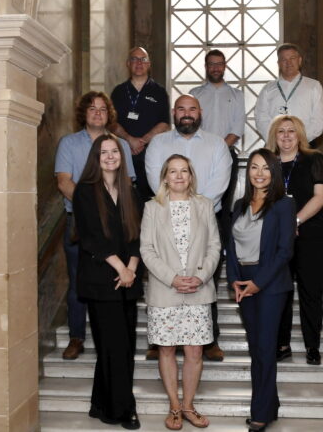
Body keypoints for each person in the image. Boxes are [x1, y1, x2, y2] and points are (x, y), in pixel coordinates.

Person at [145, 94, 232, 361]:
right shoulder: (158, 143)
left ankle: (209, 340)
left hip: (207, 217)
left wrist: (196, 206)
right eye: (181, 109)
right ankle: (161, 341)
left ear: (200, 112)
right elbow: (154, 178)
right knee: (164, 277)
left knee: (206, 277)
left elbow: (220, 183)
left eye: (191, 109)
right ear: (174, 112)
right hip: (164, 216)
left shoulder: (217, 144)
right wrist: (177, 200)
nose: (186, 113)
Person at [140, 154, 220, 430]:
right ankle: (174, 406)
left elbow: (214, 247)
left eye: (183, 171)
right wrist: (172, 278)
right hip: (165, 289)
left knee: (195, 351)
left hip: (198, 289)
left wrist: (199, 277)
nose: (178, 176)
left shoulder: (205, 205)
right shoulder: (152, 208)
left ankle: (188, 406)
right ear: (164, 177)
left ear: (190, 176)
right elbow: (146, 250)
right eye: (172, 171)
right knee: (167, 349)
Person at [55, 91, 136, 360]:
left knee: (116, 277)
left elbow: (127, 184)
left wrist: (110, 212)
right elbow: (64, 181)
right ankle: (77, 336)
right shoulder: (68, 143)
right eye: (92, 108)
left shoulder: (121, 145)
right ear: (84, 113)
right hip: (80, 224)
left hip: (117, 228)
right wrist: (91, 206)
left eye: (103, 109)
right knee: (79, 280)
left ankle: (114, 336)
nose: (98, 113)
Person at [73, 134, 143, 430]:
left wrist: (131, 268)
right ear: (95, 157)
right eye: (104, 152)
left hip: (127, 280)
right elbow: (91, 238)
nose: (110, 156)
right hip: (101, 281)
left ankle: (100, 404)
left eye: (115, 151)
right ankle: (122, 410)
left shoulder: (130, 190)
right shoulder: (85, 191)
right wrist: (120, 268)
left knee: (122, 345)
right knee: (114, 347)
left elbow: (139, 235)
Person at [227, 149, 295, 432]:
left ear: (274, 172)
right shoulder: (240, 205)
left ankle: (260, 412)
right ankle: (271, 404)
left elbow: (284, 252)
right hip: (243, 280)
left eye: (265, 168)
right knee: (257, 348)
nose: (259, 173)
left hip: (270, 283)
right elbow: (230, 246)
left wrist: (259, 283)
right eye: (254, 167)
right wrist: (234, 279)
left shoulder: (284, 204)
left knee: (266, 349)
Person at [190, 49, 246, 353]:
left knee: (220, 216)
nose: (215, 68)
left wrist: (217, 149)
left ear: (224, 66)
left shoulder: (236, 95)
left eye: (219, 64)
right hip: (195, 158)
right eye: (210, 64)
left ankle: (220, 250)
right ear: (206, 67)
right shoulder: (195, 94)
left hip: (224, 154)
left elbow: (236, 130)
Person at [265, 115, 323, 366]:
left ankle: (312, 345)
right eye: (280, 131)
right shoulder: (269, 162)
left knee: (311, 291)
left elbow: (321, 197)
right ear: (275, 135)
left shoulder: (315, 159)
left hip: (310, 234)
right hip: (277, 238)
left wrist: (294, 222)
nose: (286, 135)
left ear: (300, 134)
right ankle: (282, 344)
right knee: (280, 291)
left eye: (291, 131)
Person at [111, 46, 171, 200]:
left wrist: (142, 141)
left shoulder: (159, 91)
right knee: (124, 196)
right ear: (127, 64)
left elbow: (165, 123)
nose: (139, 62)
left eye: (143, 59)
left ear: (149, 64)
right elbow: (111, 122)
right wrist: (130, 140)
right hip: (123, 151)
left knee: (150, 196)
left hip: (151, 153)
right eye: (134, 59)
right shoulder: (118, 92)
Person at [255, 43, 323, 146]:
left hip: (305, 145)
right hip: (275, 146)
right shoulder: (268, 89)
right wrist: (276, 140)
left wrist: (300, 140)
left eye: (292, 58)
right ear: (279, 63)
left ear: (300, 60)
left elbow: (319, 119)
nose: (288, 62)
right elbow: (261, 118)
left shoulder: (314, 86)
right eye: (284, 59)